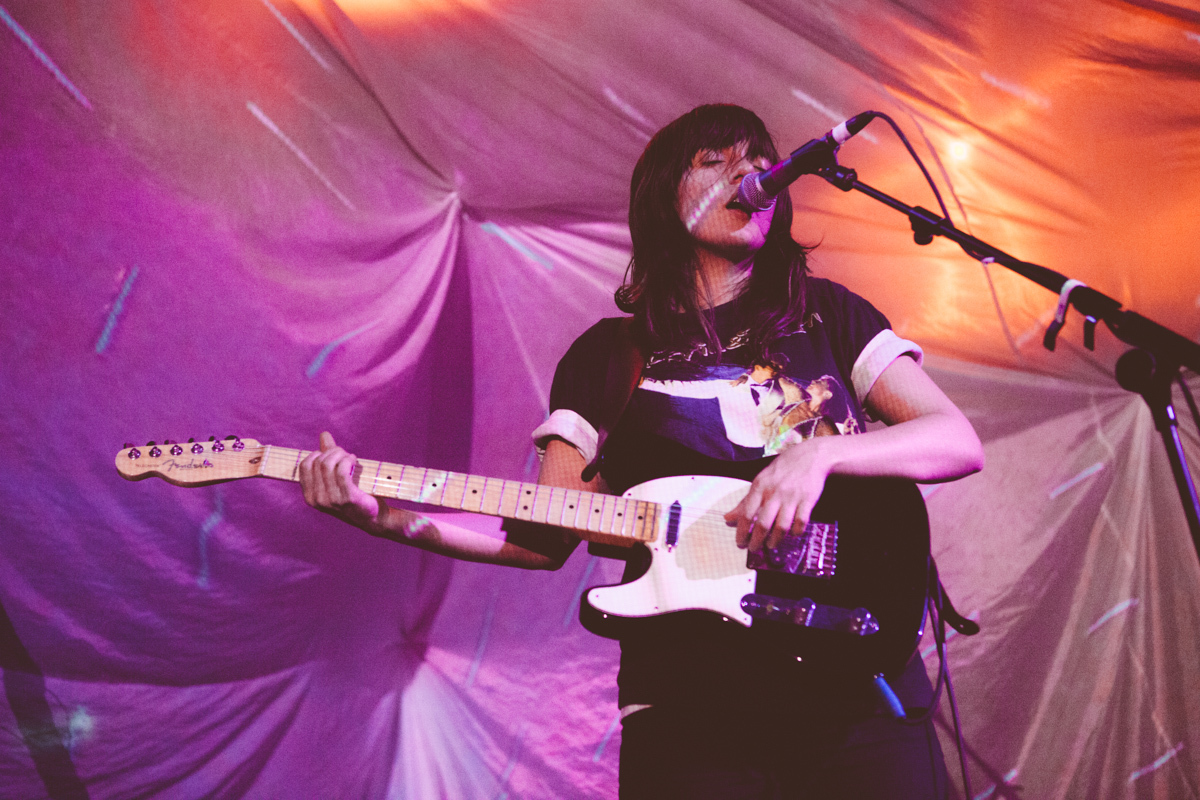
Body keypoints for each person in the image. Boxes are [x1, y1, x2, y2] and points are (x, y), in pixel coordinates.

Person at [300, 103, 984, 799]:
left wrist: (819, 457)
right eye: (716, 161)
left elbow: (954, 438)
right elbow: (542, 533)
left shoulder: (828, 313)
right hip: (693, 709)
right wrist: (380, 516)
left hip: (855, 682)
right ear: (663, 195)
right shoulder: (609, 356)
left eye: (757, 160)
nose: (749, 173)